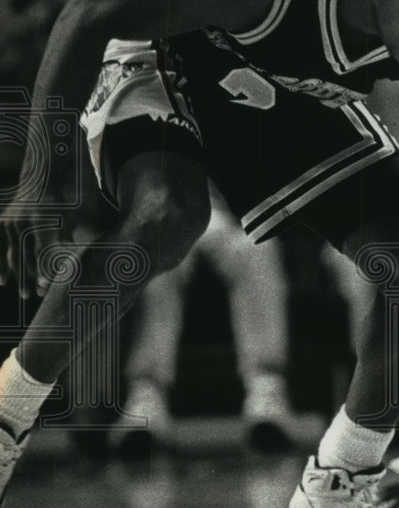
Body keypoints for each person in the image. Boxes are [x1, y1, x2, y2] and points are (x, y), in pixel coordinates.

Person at [0, 0, 399, 508]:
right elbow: (88, 12)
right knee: (168, 218)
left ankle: (335, 498)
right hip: (167, 51)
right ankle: (7, 418)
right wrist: (38, 183)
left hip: (279, 87)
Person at [114, 186, 296, 456]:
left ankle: (266, 391)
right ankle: (146, 395)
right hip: (167, 220)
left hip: (235, 221)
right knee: (156, 257)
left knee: (260, 248)